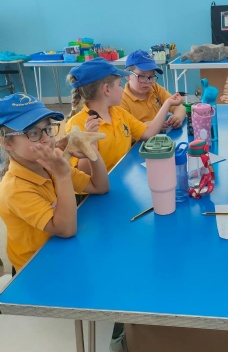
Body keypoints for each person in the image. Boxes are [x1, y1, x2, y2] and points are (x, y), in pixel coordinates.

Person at [0, 93, 109, 274]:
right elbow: (66, 229)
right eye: (33, 133)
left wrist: (91, 151)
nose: (46, 139)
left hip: (63, 252)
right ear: (6, 142)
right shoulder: (14, 189)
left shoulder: (49, 165)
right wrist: (63, 176)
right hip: (35, 268)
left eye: (48, 129)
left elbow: (100, 186)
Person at [65, 57, 183, 173]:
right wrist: (90, 145)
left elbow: (148, 132)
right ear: (107, 90)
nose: (122, 89)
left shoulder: (119, 112)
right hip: (103, 184)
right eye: (119, 85)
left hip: (126, 174)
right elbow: (84, 172)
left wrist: (167, 104)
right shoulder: (77, 124)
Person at [121, 50, 186, 130]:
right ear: (127, 75)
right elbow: (125, 131)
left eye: (151, 76)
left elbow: (179, 107)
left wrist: (178, 117)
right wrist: (151, 126)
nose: (148, 81)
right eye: (142, 76)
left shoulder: (154, 88)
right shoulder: (122, 100)